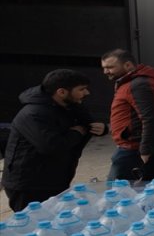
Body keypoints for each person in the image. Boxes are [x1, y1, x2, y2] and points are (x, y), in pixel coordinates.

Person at [2, 69, 102, 210]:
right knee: (35, 225)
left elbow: (87, 124)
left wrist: (101, 128)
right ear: (61, 92)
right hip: (29, 186)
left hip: (56, 179)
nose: (87, 93)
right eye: (82, 89)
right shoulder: (33, 114)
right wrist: (77, 133)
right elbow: (52, 146)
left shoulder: (70, 105)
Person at [102, 49, 154, 181]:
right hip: (129, 146)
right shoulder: (129, 82)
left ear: (127, 65)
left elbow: (151, 119)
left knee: (117, 191)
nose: (106, 72)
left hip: (133, 149)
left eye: (110, 67)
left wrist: (145, 150)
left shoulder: (139, 84)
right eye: (104, 68)